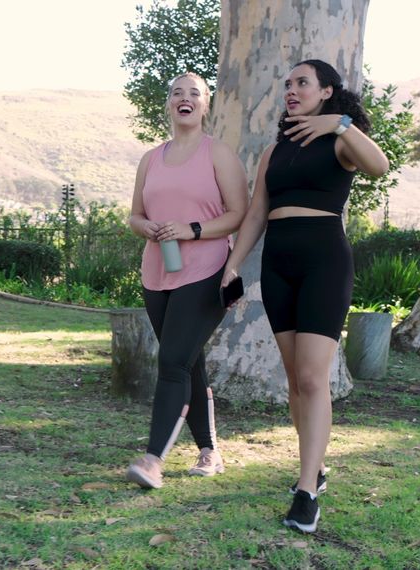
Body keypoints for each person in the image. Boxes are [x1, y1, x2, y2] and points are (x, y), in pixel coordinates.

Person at [221, 59, 389, 533]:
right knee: (296, 380)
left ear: (326, 91)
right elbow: (256, 213)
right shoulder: (276, 151)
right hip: (278, 265)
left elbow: (380, 167)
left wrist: (341, 122)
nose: (291, 90)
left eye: (302, 83)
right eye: (288, 84)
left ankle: (307, 492)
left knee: (315, 378)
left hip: (324, 263)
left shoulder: (340, 139)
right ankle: (312, 468)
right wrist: (233, 265)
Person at [124, 72, 249, 489]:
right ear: (169, 105)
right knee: (188, 360)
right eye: (178, 92)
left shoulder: (219, 154)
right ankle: (210, 451)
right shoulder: (151, 159)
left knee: (173, 361)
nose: (185, 98)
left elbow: (238, 214)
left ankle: (153, 458)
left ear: (205, 105)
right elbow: (135, 214)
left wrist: (190, 230)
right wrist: (150, 229)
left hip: (207, 269)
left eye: (194, 93)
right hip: (157, 272)